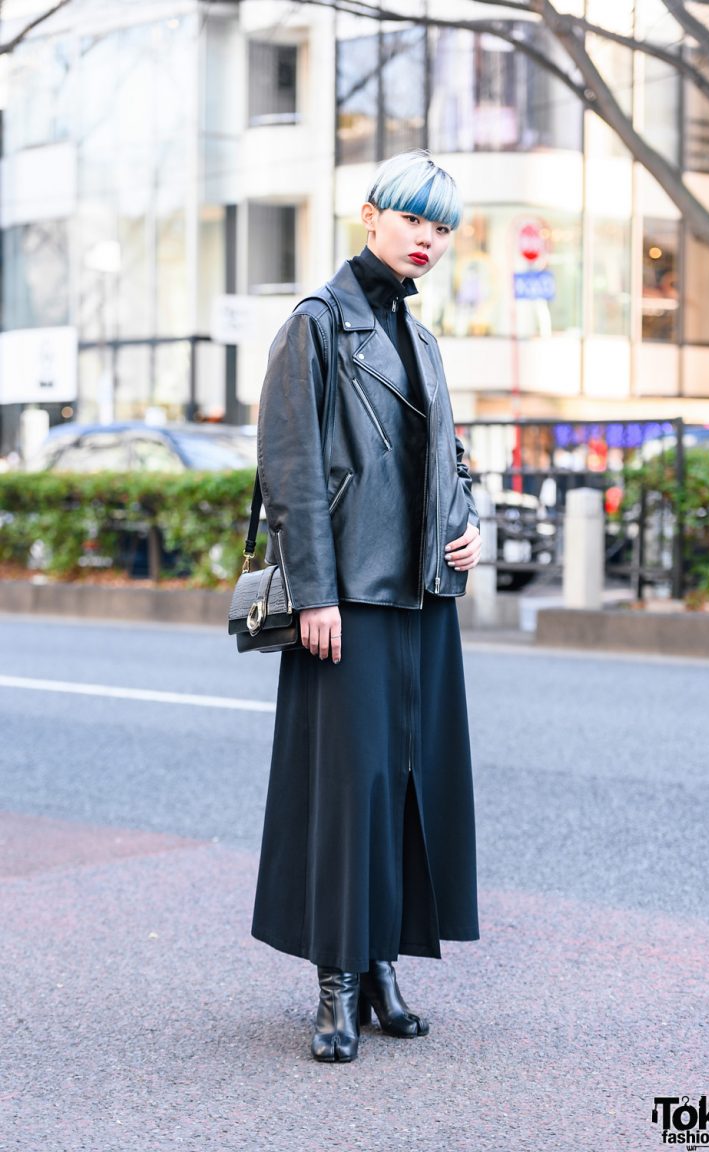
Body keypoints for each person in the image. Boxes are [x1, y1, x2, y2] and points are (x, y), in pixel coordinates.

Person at [251, 150, 481, 1063]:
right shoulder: (315, 324)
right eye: (415, 218)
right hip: (345, 597)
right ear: (370, 215)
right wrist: (315, 592)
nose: (429, 238)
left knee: (410, 785)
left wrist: (468, 525)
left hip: (423, 595)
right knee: (350, 790)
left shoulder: (422, 339)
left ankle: (385, 966)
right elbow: (292, 472)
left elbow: (446, 460)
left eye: (443, 226)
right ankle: (336, 984)